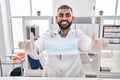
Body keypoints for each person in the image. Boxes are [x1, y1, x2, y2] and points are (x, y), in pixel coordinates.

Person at [19, 5, 108, 77]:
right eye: (61, 15)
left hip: (75, 77)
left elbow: (88, 44)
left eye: (68, 15)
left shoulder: (77, 34)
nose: (64, 18)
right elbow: (37, 46)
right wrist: (32, 50)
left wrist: (93, 49)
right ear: (57, 18)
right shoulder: (49, 34)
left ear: (72, 18)